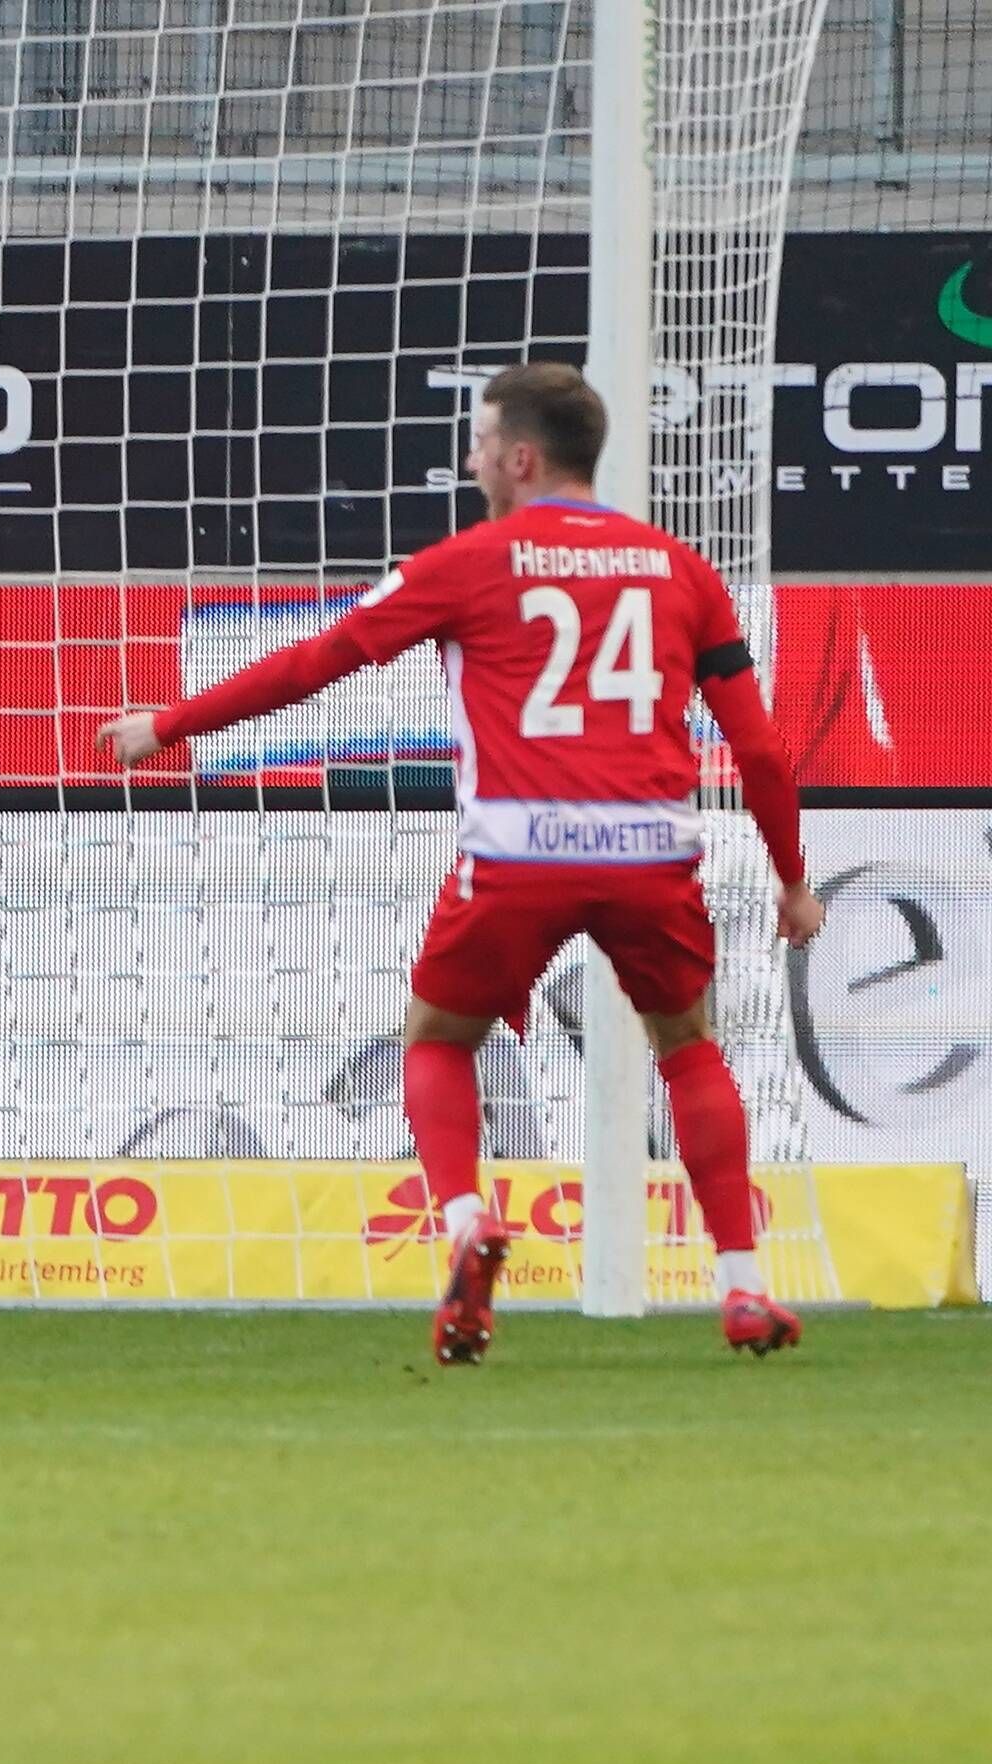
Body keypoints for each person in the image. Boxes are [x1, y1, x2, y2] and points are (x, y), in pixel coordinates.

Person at [95, 360, 823, 1365]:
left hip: (518, 850)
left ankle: (469, 1224)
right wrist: (791, 877)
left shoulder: (468, 561)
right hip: (648, 850)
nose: (471, 459)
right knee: (689, 1049)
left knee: (435, 1040)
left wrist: (170, 725)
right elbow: (761, 750)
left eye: (480, 443)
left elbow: (316, 662)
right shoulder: (678, 570)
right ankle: (742, 1286)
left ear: (520, 458)